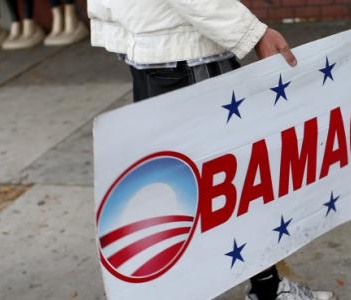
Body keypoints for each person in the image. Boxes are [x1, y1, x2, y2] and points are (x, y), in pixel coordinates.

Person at [88, 1, 335, 299]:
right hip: (187, 54)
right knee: (236, 184)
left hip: (158, 50)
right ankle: (267, 290)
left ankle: (252, 286)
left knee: (187, 186)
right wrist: (253, 34)